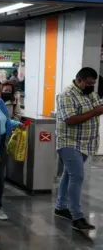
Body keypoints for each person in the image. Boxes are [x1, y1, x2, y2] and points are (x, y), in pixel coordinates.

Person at [54, 67, 103, 231]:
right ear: (79, 80)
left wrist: (97, 109)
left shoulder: (92, 94)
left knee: (68, 175)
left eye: (94, 83)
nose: (91, 86)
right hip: (69, 141)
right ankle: (77, 217)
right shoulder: (66, 95)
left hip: (86, 142)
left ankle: (60, 207)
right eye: (89, 83)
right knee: (78, 177)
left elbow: (98, 107)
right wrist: (95, 112)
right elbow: (70, 119)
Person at [0, 79, 23, 221]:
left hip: (0, 145)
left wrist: (17, 124)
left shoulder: (1, 103)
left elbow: (5, 121)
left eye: (0, 90)